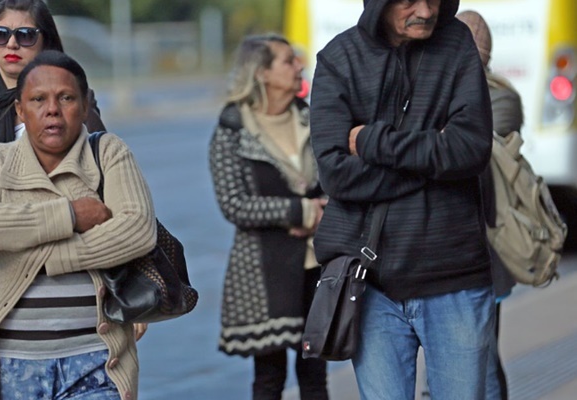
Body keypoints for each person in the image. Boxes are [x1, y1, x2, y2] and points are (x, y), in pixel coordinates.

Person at [309, 1, 496, 399]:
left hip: (455, 279)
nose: (426, 11)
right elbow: (336, 174)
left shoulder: (457, 45)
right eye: (409, 1)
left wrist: (372, 141)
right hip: (370, 285)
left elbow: (471, 150)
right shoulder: (338, 59)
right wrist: (433, 160)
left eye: (434, 0)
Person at [0, 49, 155, 399]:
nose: (52, 109)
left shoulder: (108, 153)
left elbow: (137, 230)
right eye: (38, 99)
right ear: (20, 109)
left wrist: (47, 259)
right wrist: (72, 215)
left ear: (84, 106)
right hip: (12, 367)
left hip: (97, 363)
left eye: (65, 98)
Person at [0, 0, 107, 391]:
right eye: (0, 34)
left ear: (45, 42)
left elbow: (101, 192)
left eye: (25, 34)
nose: (11, 44)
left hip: (42, 277)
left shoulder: (70, 106)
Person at [209, 33, 329, 400]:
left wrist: (324, 208)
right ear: (261, 72)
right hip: (264, 271)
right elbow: (234, 204)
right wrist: (300, 210)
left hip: (318, 266)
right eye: (288, 61)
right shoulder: (232, 128)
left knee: (314, 375)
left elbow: (338, 178)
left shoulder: (312, 118)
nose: (299, 66)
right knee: (269, 379)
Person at [457, 10, 522, 400]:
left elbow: (471, 150)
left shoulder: (500, 97)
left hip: (486, 246)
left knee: (481, 356)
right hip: (444, 250)